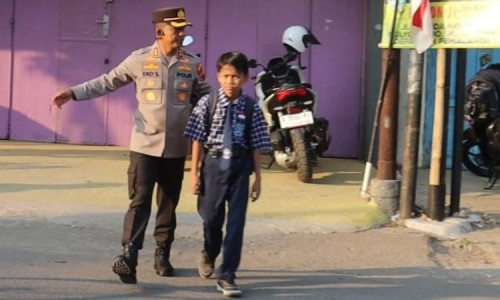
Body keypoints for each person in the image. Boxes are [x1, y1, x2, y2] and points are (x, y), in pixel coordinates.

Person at [51, 7, 212, 284]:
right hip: (144, 146)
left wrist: (230, 98)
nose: (182, 34)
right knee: (139, 201)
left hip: (175, 148)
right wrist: (72, 93)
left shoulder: (191, 63)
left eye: (184, 29)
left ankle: (162, 253)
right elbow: (106, 82)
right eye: (177, 29)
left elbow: (205, 96)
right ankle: (129, 255)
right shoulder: (138, 60)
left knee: (168, 204)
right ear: (160, 31)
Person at [184, 51, 271, 297]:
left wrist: (258, 180)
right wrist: (194, 175)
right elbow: (197, 140)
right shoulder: (207, 103)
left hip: (240, 167)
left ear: (244, 78)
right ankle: (209, 253)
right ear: (218, 76)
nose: (230, 81)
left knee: (236, 225)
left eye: (235, 76)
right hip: (213, 166)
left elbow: (256, 144)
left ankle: (227, 275)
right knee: (211, 219)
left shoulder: (251, 107)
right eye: (225, 76)